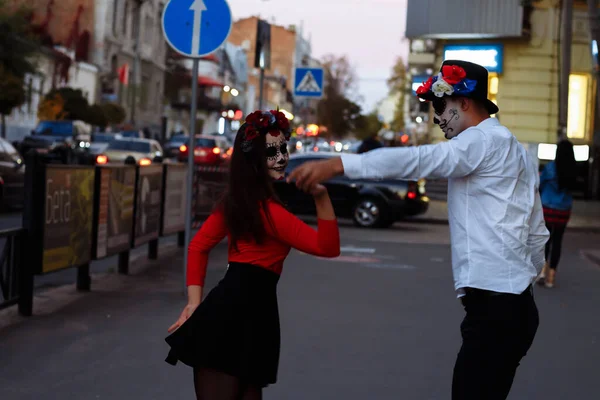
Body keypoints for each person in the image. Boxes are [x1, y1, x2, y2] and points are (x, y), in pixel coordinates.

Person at [288, 60, 549, 400]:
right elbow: (537, 232)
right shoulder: (514, 147)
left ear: (465, 102)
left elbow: (419, 160)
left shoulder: (481, 141)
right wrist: (517, 284)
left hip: (496, 310)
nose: (437, 117)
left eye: (441, 105)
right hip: (512, 307)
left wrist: (339, 164)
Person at [164, 110, 340, 400]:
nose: (281, 157)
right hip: (238, 319)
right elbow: (328, 248)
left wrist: (194, 302)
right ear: (252, 159)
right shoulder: (268, 212)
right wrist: (321, 196)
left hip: (248, 319)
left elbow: (198, 247)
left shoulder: (240, 203)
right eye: (271, 151)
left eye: (283, 148)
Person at [537, 139, 577, 288]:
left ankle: (542, 271)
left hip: (548, 208)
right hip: (564, 209)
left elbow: (540, 184)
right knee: (558, 241)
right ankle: (551, 277)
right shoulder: (572, 169)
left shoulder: (550, 167)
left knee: (546, 239)